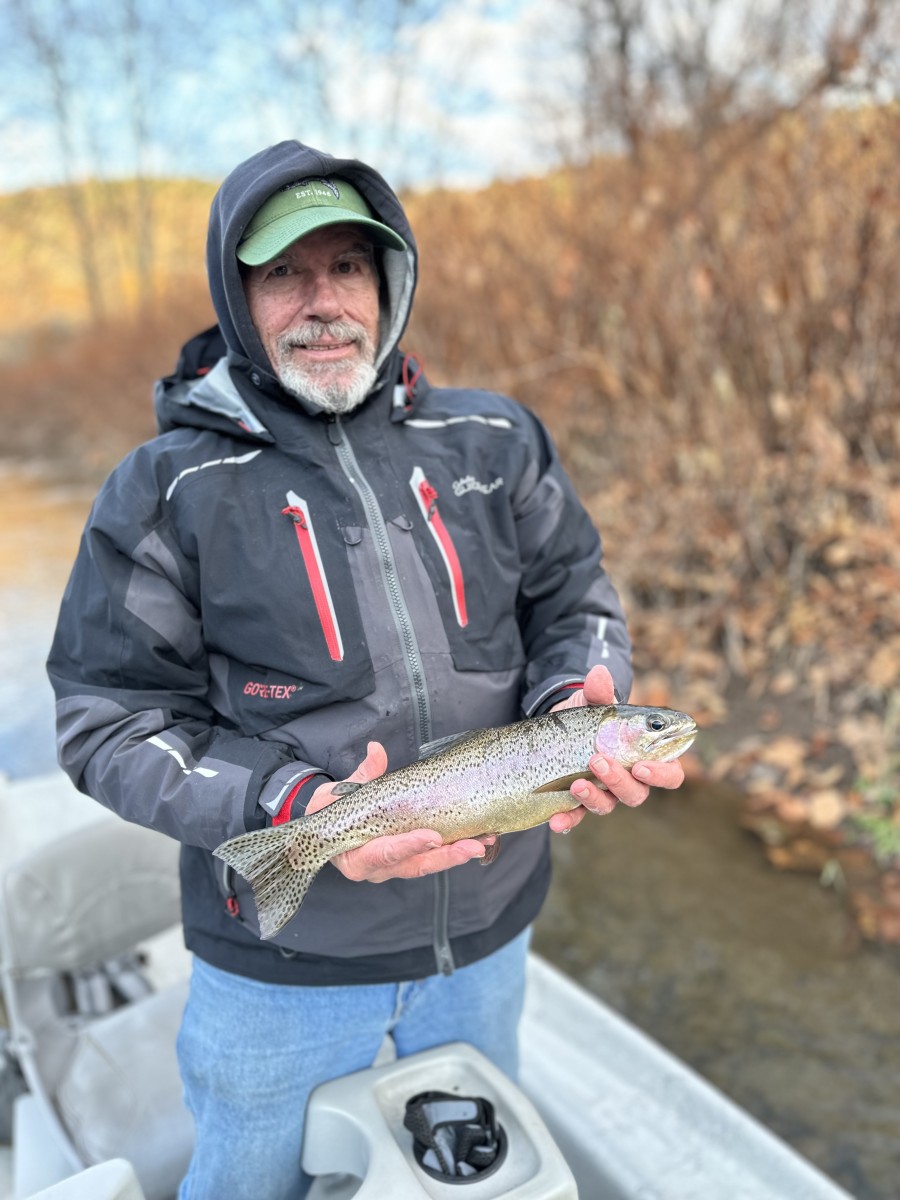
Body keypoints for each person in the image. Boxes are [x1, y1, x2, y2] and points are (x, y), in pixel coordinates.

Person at [47, 140, 685, 1199]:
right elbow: (106, 721)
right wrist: (294, 804)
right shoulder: (165, 488)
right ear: (236, 292)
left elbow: (575, 597)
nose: (323, 300)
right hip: (279, 971)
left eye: (348, 266)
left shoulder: (495, 438)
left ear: (390, 284)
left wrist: (581, 694)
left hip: (486, 942)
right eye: (284, 272)